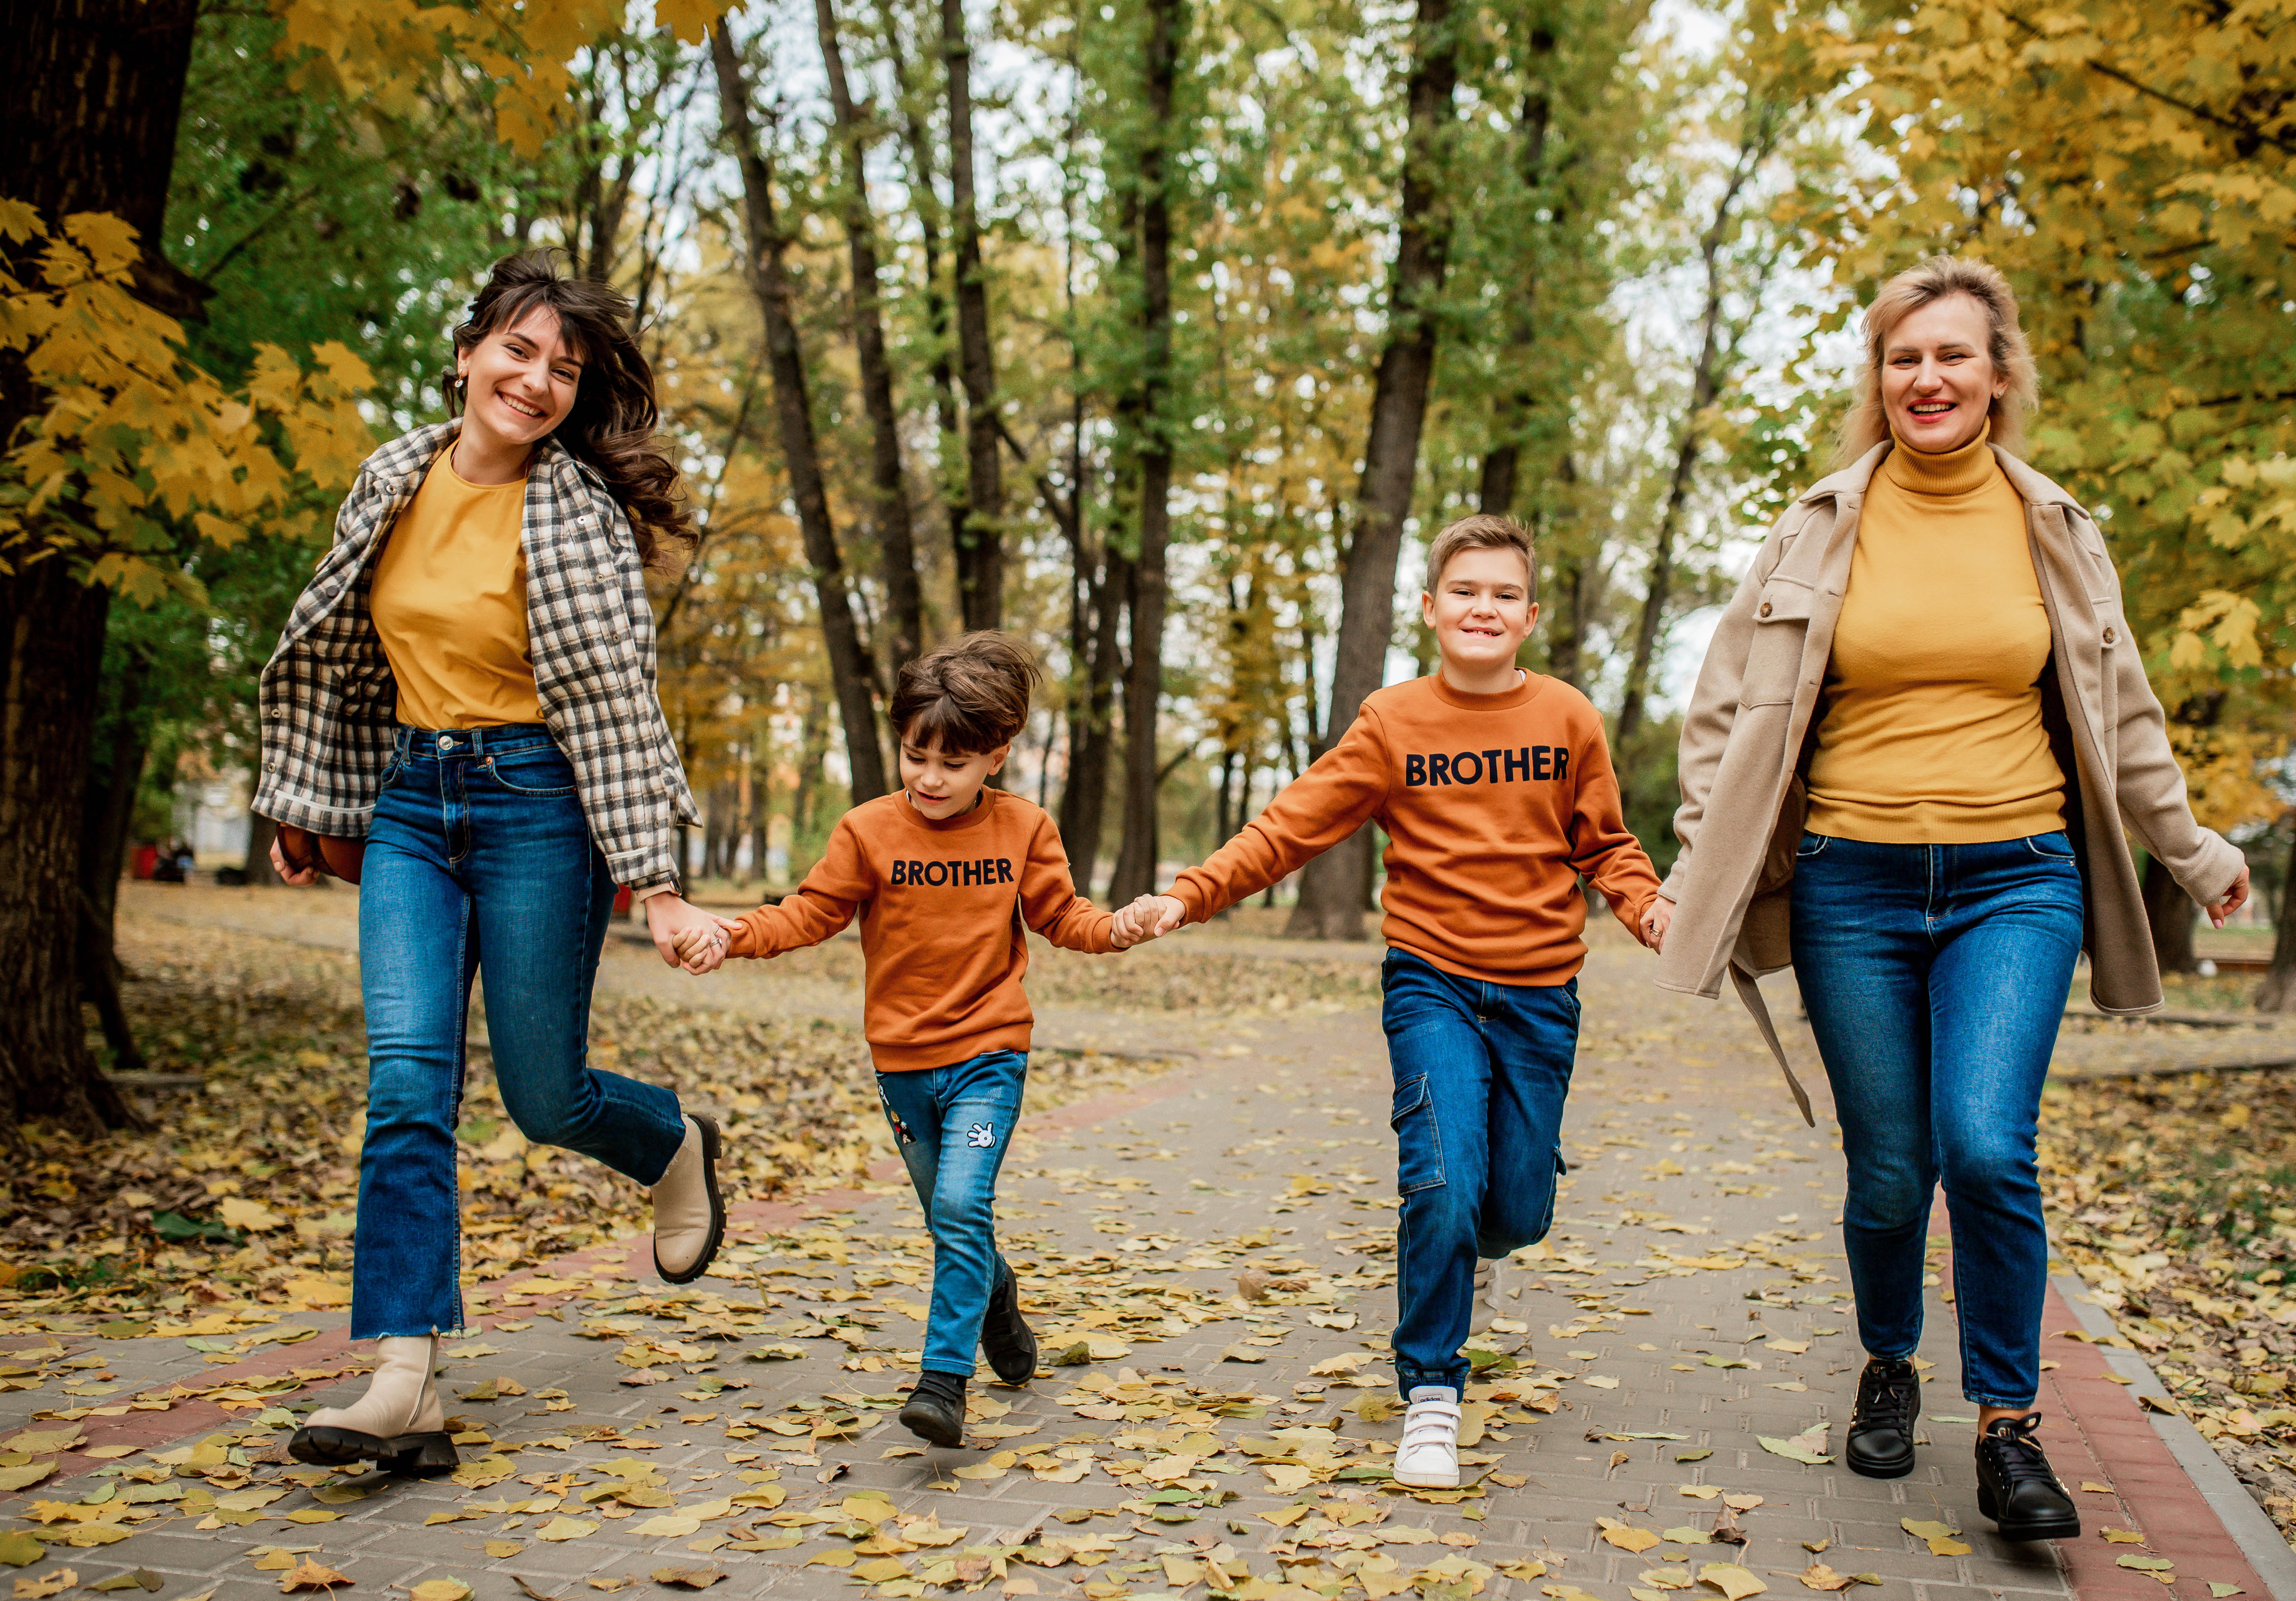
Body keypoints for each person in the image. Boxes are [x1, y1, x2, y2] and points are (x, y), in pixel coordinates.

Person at [1653, 256, 2251, 1541]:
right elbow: (1722, 713)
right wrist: (1706, 852)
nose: (1927, 378)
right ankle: (1886, 1361)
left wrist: (2192, 850)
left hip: (2016, 878)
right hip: (1850, 885)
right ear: (1881, 379)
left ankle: (2008, 1429)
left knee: (1986, 1147)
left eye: (1952, 356)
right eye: (1903, 357)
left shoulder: (2054, 528)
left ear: (1998, 375)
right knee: (1889, 1172)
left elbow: (2121, 709)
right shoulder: (1819, 524)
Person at [256, 251, 730, 1477]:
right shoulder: (391, 476)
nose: (537, 381)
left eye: (564, 369)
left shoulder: (578, 516)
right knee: (406, 1084)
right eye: (518, 352)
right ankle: (403, 1382)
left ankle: (673, 1143)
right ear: (468, 353)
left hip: (540, 809)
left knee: (541, 1095)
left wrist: (658, 882)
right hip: (417, 800)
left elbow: (617, 703)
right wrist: (309, 801)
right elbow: (340, 649)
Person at [1114, 515, 1667, 1492]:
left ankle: (1483, 1240)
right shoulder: (1393, 720)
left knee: (1517, 1209)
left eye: (1502, 594)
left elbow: (1605, 845)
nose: (1482, 608)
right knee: (1442, 1186)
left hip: (1542, 992)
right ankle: (1431, 1393)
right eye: (1464, 591)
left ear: (1529, 615)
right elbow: (1290, 826)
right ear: (1429, 608)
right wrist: (1187, 893)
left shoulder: (1569, 719)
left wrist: (1647, 905)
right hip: (1432, 982)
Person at [670, 632, 1144, 1448]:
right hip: (901, 1065)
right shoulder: (868, 831)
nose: (927, 777)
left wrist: (1118, 926)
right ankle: (999, 1302)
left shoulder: (1025, 828)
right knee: (951, 1221)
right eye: (913, 754)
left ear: (995, 757)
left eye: (951, 763)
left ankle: (942, 1381)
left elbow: (1063, 917)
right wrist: (731, 934)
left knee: (962, 1205)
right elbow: (808, 912)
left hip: (989, 1056)